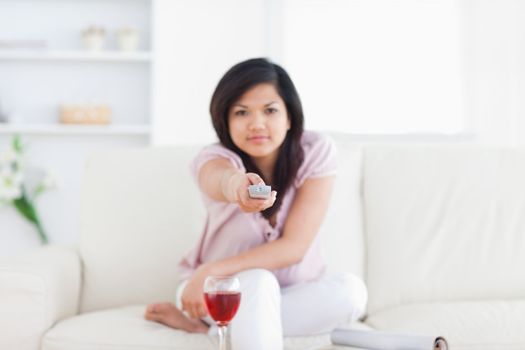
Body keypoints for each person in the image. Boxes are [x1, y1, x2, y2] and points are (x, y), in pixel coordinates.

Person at [144, 58, 368, 349]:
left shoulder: (316, 151)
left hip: (289, 293)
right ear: (225, 120)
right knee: (259, 283)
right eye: (241, 112)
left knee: (352, 292)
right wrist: (238, 187)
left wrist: (213, 268)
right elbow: (221, 179)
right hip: (214, 292)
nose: (257, 124)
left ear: (290, 117)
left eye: (270, 110)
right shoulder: (213, 159)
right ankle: (221, 323)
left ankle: (210, 331)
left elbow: (294, 248)